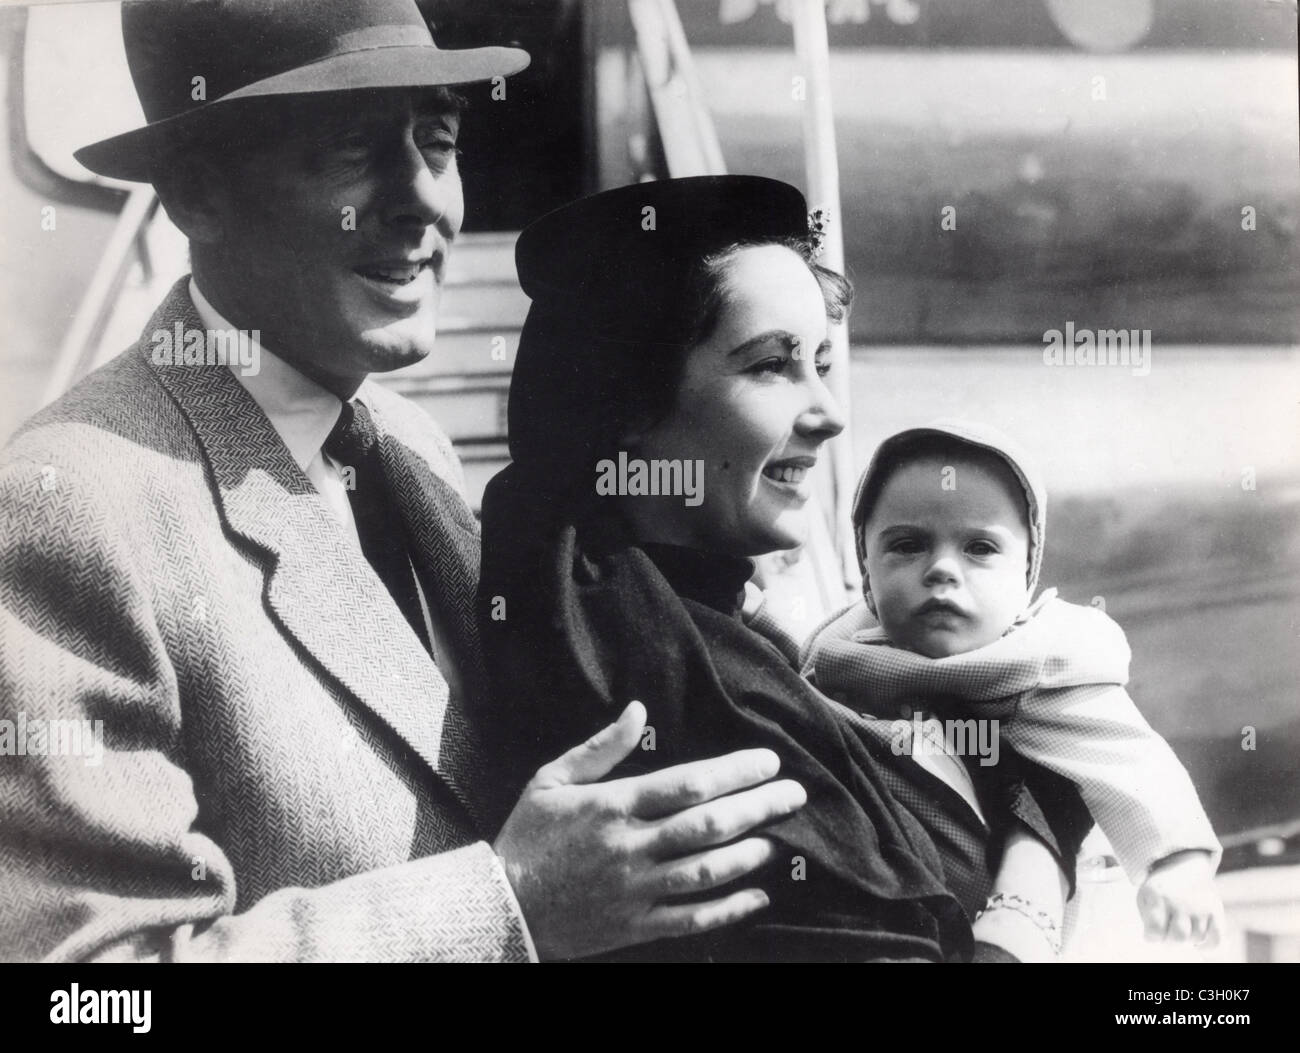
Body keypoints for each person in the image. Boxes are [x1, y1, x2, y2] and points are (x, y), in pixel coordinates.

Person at [0, 0, 807, 963]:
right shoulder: (70, 512)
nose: (425, 200)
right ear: (196, 193)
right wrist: (507, 903)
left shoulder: (407, 446)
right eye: (351, 150)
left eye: (439, 138)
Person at [477, 176, 1093, 962]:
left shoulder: (697, 617)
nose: (830, 413)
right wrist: (1029, 902)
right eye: (771, 365)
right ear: (627, 404)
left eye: (822, 362)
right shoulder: (666, 687)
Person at [804, 419, 1226, 946]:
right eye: (908, 545)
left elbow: (1129, 757)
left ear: (1027, 571)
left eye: (979, 548)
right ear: (865, 568)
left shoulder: (1039, 664)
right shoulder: (842, 646)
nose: (941, 569)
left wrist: (1177, 865)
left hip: (1009, 914)